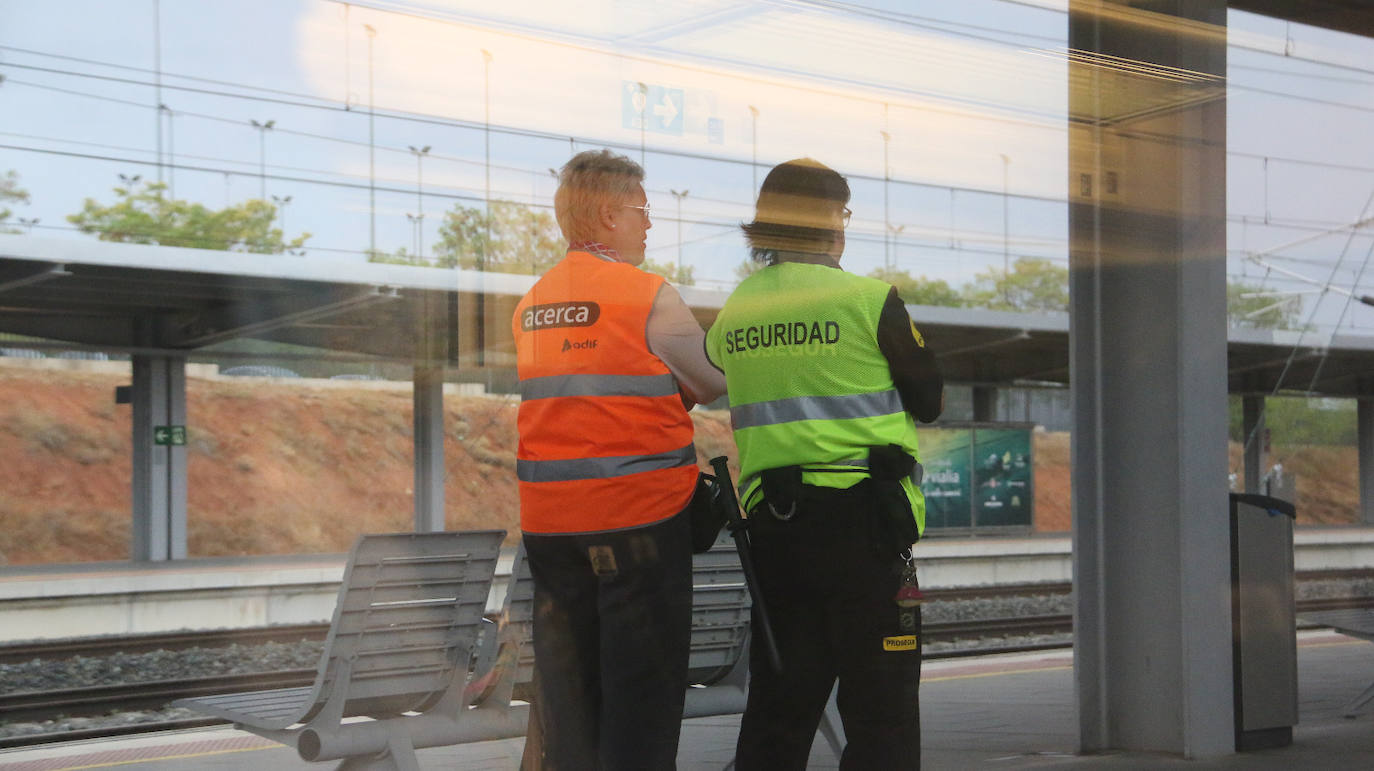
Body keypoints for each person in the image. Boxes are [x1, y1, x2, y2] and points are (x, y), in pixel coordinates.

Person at [704, 158, 943, 770]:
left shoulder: (739, 307)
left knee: (779, 712)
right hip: (867, 530)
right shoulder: (868, 300)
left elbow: (715, 367)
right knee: (881, 714)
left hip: (778, 536)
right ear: (832, 221)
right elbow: (929, 400)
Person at [511, 148, 726, 770]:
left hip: (551, 530)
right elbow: (710, 382)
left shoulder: (531, 305)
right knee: (642, 699)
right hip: (639, 523)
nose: (649, 224)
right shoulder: (648, 296)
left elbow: (581, 389)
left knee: (572, 698)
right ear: (609, 215)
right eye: (642, 210)